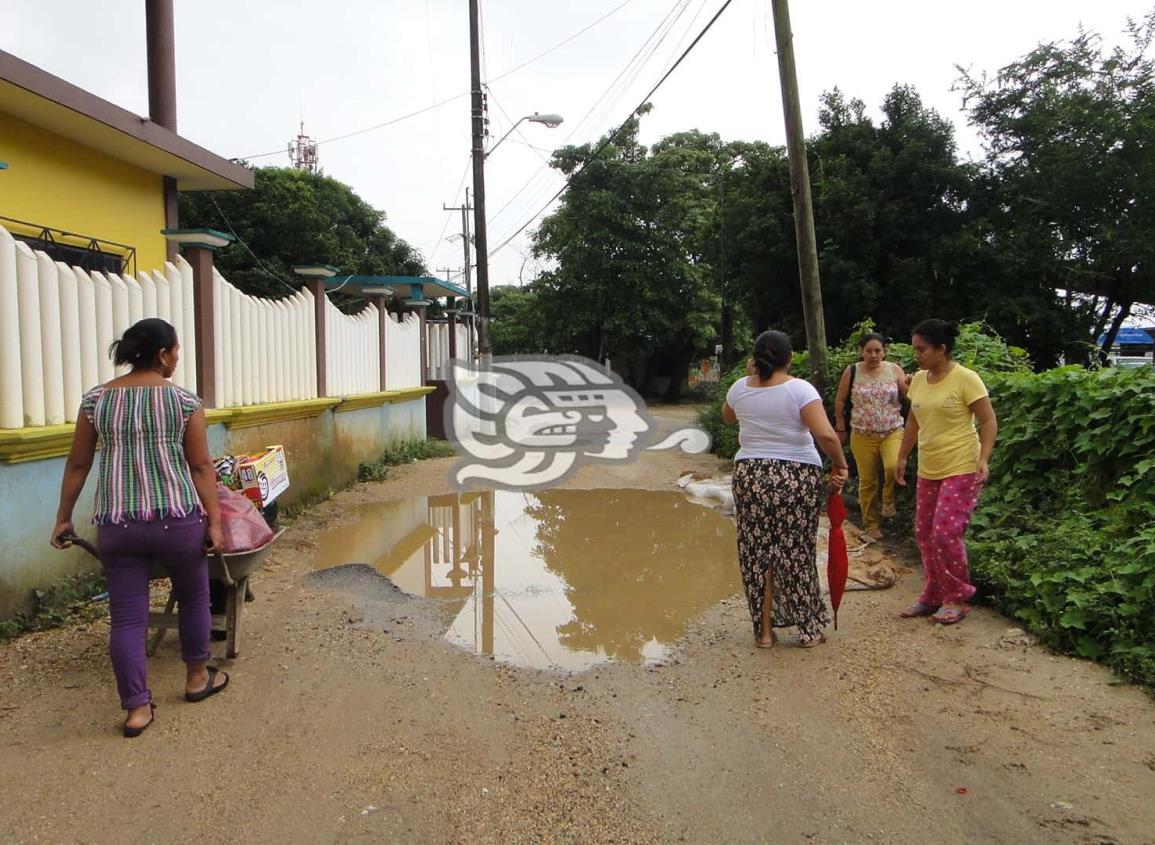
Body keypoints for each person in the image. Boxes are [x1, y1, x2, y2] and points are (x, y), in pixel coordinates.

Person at [50, 318, 229, 737]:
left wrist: (63, 516)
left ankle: (136, 710)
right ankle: (197, 679)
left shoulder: (96, 401)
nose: (177, 359)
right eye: (176, 352)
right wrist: (215, 521)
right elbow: (201, 466)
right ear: (163, 354)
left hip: (119, 525)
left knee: (127, 619)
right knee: (194, 599)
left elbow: (78, 463)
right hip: (178, 520)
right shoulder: (185, 402)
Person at [722, 330, 850, 648]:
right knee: (795, 552)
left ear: (756, 358)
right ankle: (808, 630)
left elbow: (727, 418)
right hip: (795, 476)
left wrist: (749, 379)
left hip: (750, 475)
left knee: (757, 554)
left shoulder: (740, 388)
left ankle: (764, 632)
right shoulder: (799, 389)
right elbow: (828, 436)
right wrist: (841, 465)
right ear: (789, 357)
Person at [896, 319, 998, 626]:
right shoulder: (917, 381)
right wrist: (902, 456)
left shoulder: (967, 379)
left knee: (945, 532)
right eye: (915, 349)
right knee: (924, 533)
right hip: (929, 467)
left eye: (922, 349)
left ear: (942, 349)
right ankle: (933, 593)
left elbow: (988, 422)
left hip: (962, 465)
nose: (917, 355)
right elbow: (913, 421)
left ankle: (957, 597)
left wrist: (984, 459)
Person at [833, 333, 909, 540]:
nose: (873, 355)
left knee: (893, 466)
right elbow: (840, 401)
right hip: (862, 433)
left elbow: (908, 394)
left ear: (884, 351)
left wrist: (912, 382)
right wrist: (841, 427)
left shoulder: (894, 370)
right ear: (861, 351)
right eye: (869, 351)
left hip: (892, 430)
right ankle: (871, 524)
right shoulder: (852, 371)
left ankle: (888, 502)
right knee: (867, 481)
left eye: (878, 351)